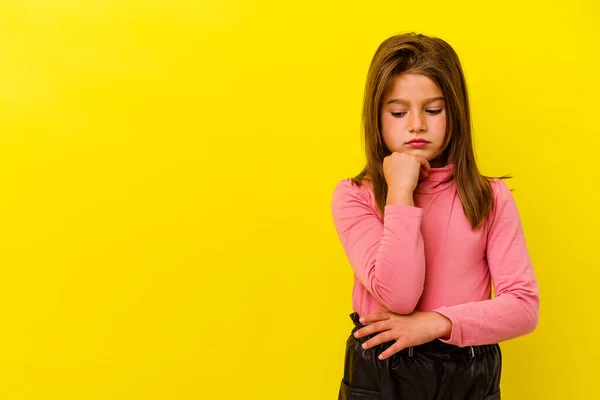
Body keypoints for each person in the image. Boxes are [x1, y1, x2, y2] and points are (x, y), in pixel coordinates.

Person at [330, 33, 539, 400]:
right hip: (382, 371)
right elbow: (399, 297)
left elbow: (523, 306)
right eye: (398, 112)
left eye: (433, 110)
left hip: (467, 371)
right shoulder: (355, 196)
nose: (416, 125)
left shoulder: (489, 198)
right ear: (376, 117)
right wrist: (399, 192)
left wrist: (435, 323)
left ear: (454, 112)